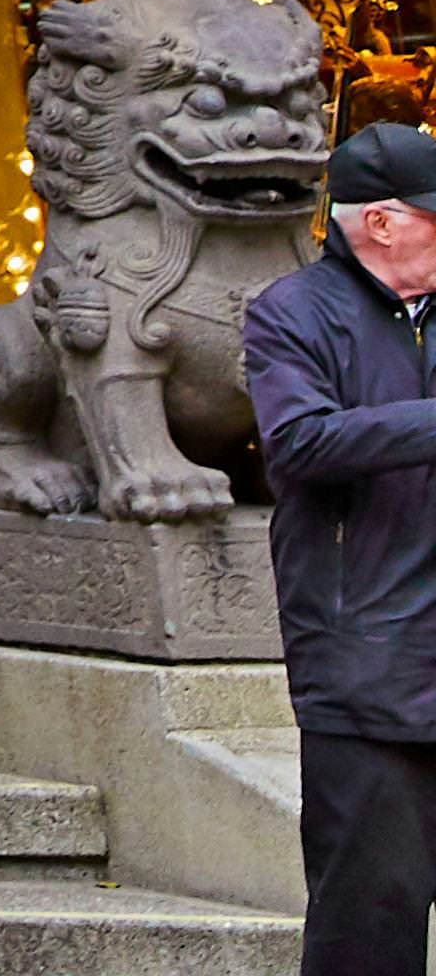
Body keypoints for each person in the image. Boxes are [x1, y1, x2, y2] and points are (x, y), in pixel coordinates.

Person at [251, 117, 436, 976]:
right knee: (370, 931)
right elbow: (298, 444)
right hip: (366, 676)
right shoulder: (291, 314)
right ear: (382, 222)